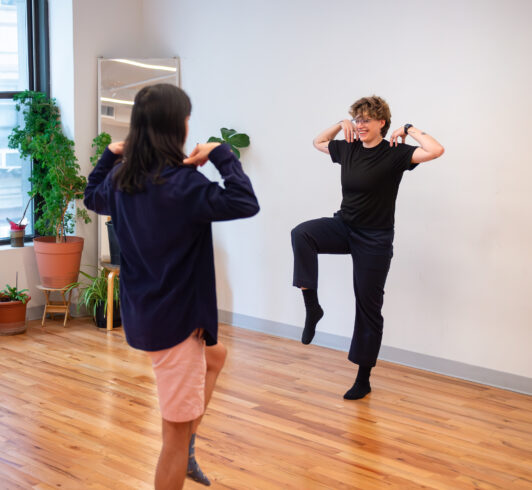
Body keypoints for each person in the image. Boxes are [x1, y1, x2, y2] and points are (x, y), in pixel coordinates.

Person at [84, 84, 259, 489]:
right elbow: (245, 201)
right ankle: (185, 450)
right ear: (177, 126)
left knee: (216, 357)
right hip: (177, 323)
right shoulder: (183, 186)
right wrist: (219, 153)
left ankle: (189, 447)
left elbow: (93, 196)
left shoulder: (123, 180)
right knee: (172, 437)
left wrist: (110, 153)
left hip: (147, 315)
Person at [291, 95, 444, 400]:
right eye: (357, 119)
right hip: (344, 226)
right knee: (302, 233)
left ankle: (363, 378)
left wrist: (409, 128)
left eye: (366, 120)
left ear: (381, 123)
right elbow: (317, 141)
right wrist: (341, 124)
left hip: (375, 238)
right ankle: (313, 307)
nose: (360, 125)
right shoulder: (347, 148)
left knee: (368, 306)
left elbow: (436, 150)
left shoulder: (395, 153)